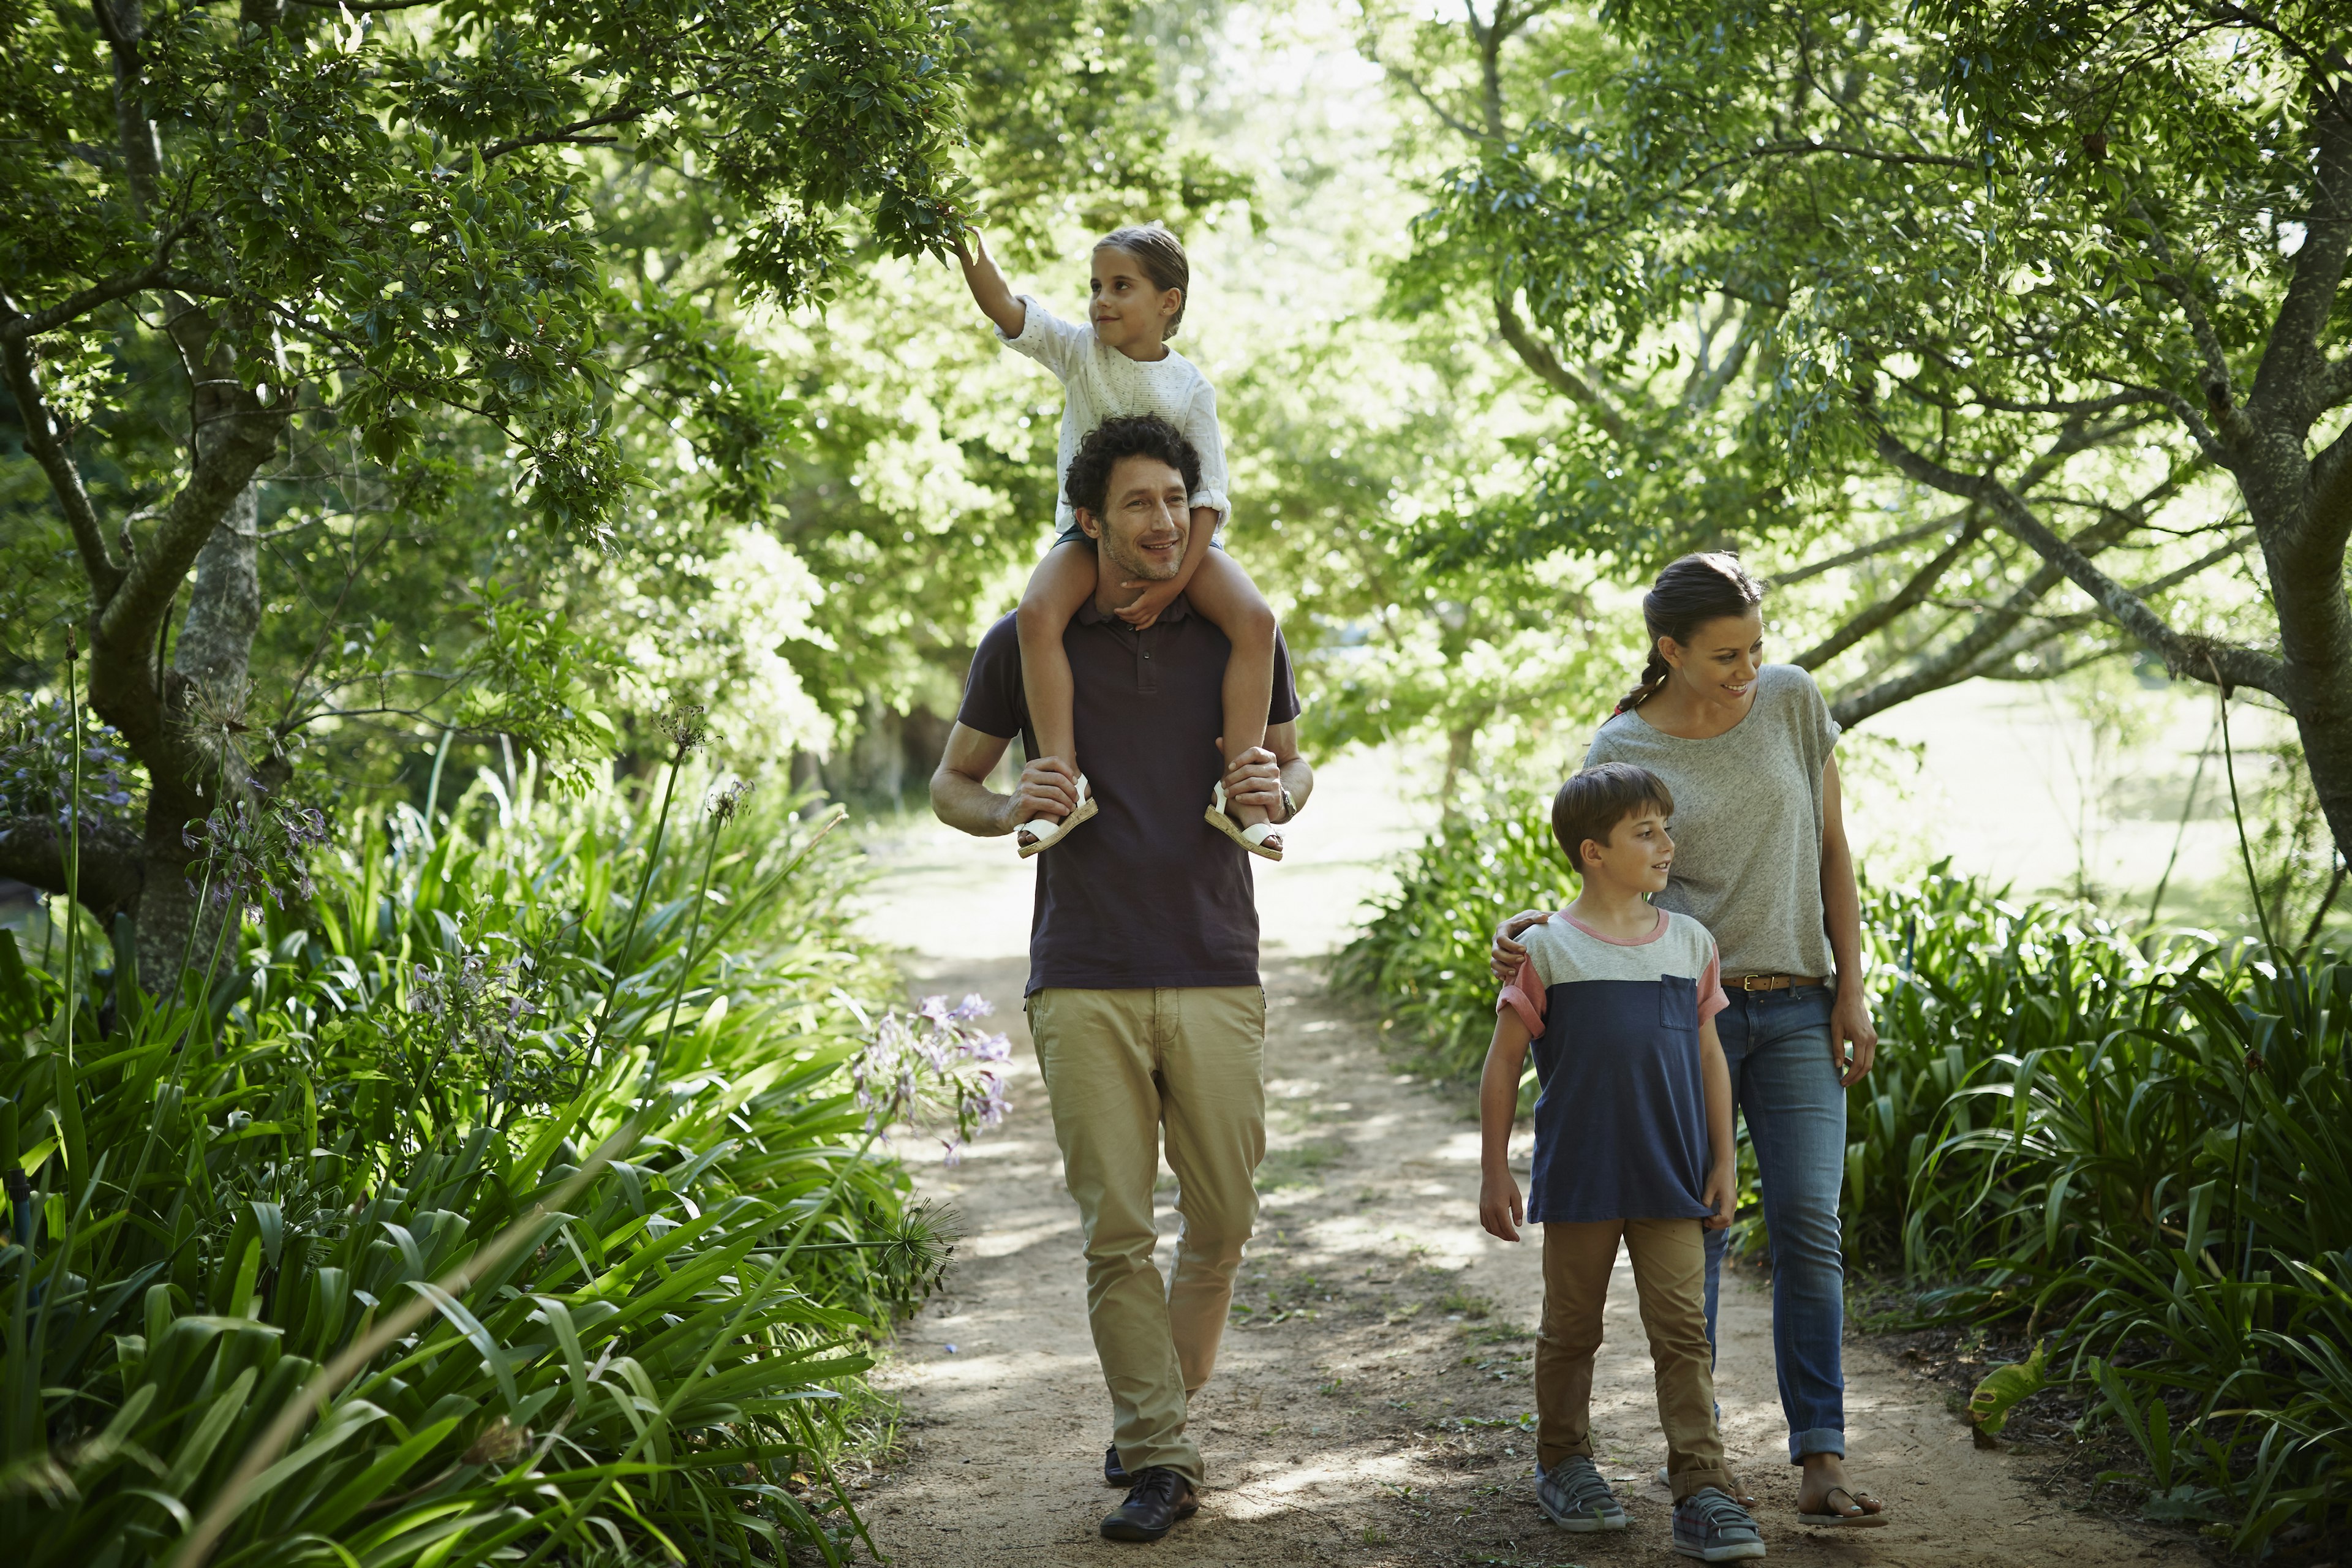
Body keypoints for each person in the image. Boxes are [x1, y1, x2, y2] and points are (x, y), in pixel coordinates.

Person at [929, 413, 1312, 1544]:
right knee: (1116, 1233)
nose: (1161, 523)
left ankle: (1157, 1408)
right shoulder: (1025, 638)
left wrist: (1278, 792)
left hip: (1213, 962)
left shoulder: (1236, 634)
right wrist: (1006, 807)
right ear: (1089, 519)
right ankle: (1159, 1451)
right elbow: (953, 782)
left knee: (1226, 1218)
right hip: (1084, 968)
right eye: (1136, 504)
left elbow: (1291, 766)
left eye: (1175, 504)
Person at [1490, 552, 1888, 1527]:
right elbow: (1608, 870)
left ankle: (1821, 1459)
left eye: (1756, 647)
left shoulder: (1794, 702)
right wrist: (1534, 930)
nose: (1747, 669)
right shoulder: (1620, 741)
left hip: (1799, 1002)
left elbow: (1835, 851)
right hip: (1682, 1014)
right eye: (1724, 656)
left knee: (1808, 1226)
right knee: (1696, 1238)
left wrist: (1853, 989)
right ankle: (1700, 1473)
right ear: (1668, 650)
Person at [1479, 763, 1766, 1563]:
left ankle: (1702, 1485)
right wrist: (1494, 1171)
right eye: (1647, 832)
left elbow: (1712, 1059)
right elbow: (1502, 1065)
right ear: (1593, 852)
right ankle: (1564, 1462)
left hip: (1673, 1177)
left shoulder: (1690, 944)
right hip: (1581, 1179)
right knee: (1571, 1332)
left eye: (1665, 828)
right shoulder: (1547, 949)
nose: (1668, 845)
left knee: (1683, 1333)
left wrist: (1724, 1162)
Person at [954, 223, 1284, 859]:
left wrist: (1176, 588)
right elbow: (1005, 307)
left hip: (1184, 545)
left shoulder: (1190, 388)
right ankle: (1062, 782)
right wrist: (968, 247)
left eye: (1121, 286)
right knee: (1039, 612)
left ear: (1169, 302)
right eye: (1096, 286)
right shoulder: (1079, 353)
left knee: (1255, 617)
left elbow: (1209, 496)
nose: (1101, 300)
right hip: (1090, 537)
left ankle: (1243, 791)